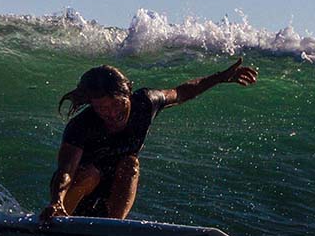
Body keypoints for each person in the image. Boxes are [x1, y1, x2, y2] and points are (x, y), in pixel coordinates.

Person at [40, 57, 258, 221]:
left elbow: (182, 92)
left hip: (110, 195)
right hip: (75, 197)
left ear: (127, 95)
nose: (109, 113)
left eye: (116, 104)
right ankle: (61, 220)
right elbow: (65, 170)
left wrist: (220, 78)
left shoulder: (145, 103)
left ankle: (112, 228)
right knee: (90, 174)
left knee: (130, 163)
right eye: (100, 108)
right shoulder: (81, 125)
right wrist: (56, 201)